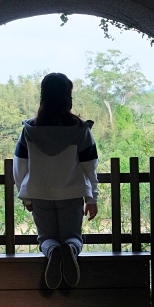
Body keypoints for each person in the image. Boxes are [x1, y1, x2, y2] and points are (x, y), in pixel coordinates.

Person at [13, 73, 100, 290]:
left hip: (39, 194)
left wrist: (25, 196)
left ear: (43, 96)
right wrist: (92, 197)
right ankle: (70, 250)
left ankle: (52, 252)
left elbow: (19, 167)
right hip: (71, 194)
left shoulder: (29, 131)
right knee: (72, 237)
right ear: (67, 97)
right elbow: (90, 167)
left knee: (46, 238)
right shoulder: (81, 130)